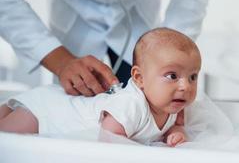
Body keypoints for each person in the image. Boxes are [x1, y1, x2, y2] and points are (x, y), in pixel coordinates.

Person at [0, 0, 210, 96]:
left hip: (140, 21)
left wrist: (169, 56)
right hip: (75, 23)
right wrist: (62, 62)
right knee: (76, 110)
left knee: (151, 111)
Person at [0, 28, 202, 147]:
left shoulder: (175, 105)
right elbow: (109, 141)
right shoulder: (131, 105)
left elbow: (174, 125)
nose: (185, 86)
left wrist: (176, 132)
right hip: (49, 114)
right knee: (6, 140)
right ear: (139, 78)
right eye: (172, 76)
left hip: (63, 106)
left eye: (193, 76)